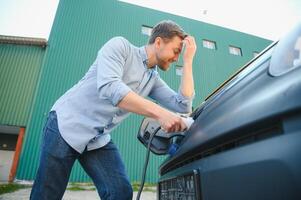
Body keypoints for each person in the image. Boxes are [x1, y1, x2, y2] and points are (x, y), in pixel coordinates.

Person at [30, 20, 197, 200]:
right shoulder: (121, 47)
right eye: (176, 51)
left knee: (120, 192)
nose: (176, 57)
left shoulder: (152, 78)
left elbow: (183, 105)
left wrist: (188, 61)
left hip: (96, 138)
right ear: (158, 42)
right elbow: (110, 87)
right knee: (47, 194)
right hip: (66, 124)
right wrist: (160, 113)